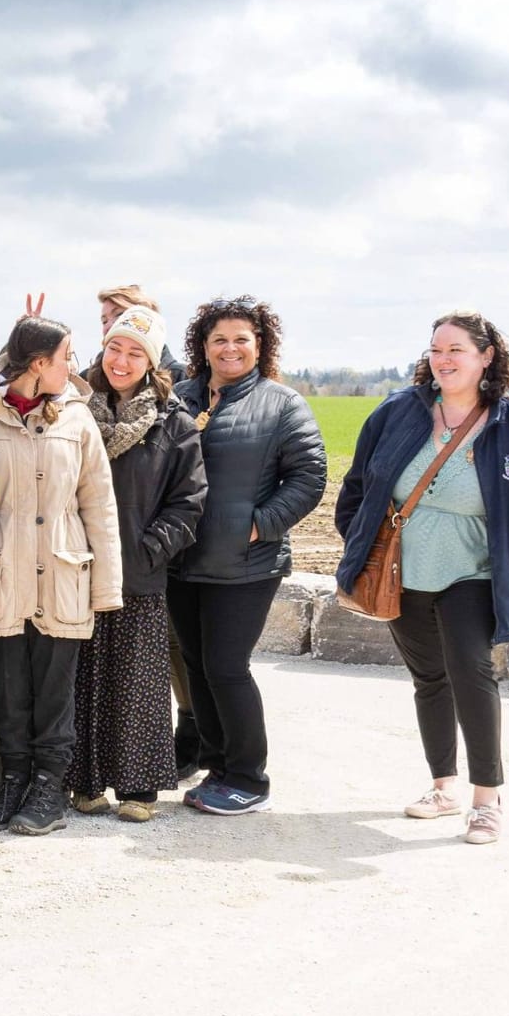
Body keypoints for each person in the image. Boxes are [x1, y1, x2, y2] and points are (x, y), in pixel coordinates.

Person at [336, 312, 509, 845]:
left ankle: (486, 799)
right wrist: (360, 542)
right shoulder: (398, 411)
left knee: (471, 672)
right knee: (428, 678)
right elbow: (360, 482)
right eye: (436, 349)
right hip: (403, 571)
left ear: (486, 357)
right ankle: (443, 788)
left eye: (456, 349)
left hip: (474, 572)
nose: (444, 359)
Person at [0, 316, 123, 836]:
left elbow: (99, 504)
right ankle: (13, 782)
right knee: (6, 691)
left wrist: (106, 587)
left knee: (54, 692)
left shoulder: (78, 417)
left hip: (62, 573)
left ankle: (49, 789)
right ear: (38, 363)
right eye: (65, 356)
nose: (73, 366)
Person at [170, 296, 325, 816]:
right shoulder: (179, 398)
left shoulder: (282, 404)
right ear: (203, 345)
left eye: (241, 339)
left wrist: (259, 525)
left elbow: (309, 477)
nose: (230, 348)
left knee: (227, 667)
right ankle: (217, 766)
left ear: (260, 345)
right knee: (197, 666)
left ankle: (249, 779)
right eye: (219, 339)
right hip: (182, 558)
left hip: (245, 562)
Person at [67, 307, 205, 822]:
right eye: (115, 348)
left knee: (138, 682)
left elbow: (189, 500)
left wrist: (150, 548)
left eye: (135, 353)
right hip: (76, 564)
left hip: (139, 568)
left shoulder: (173, 421)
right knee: (81, 678)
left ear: (151, 362)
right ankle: (83, 781)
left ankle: (139, 787)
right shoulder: (75, 408)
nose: (122, 361)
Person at [98, 285, 189, 383]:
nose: (109, 326)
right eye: (104, 321)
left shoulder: (182, 378)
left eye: (120, 315)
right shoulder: (89, 381)